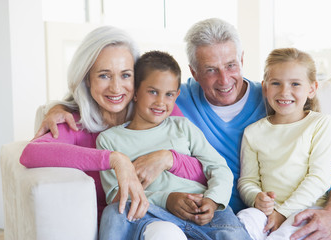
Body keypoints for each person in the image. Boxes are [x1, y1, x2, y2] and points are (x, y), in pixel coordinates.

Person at [36, 18, 331, 239]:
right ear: (193, 73)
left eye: (230, 66)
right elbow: (131, 92)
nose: (224, 80)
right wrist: (61, 106)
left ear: (242, 59)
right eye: (210, 70)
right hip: (193, 212)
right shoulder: (174, 101)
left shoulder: (274, 98)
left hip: (232, 212)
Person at [19, 26, 206, 226]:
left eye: (125, 75)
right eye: (104, 75)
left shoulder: (156, 110)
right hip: (116, 226)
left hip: (170, 222)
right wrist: (114, 159)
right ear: (87, 78)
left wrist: (168, 158)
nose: (116, 88)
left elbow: (204, 173)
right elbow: (30, 153)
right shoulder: (74, 122)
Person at [97, 50, 251, 240]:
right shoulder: (110, 139)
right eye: (153, 92)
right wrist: (166, 199)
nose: (161, 102)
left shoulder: (183, 127)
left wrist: (212, 200)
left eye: (169, 94)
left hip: (200, 208)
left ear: (177, 95)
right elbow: (115, 194)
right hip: (151, 213)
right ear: (135, 92)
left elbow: (219, 168)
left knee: (233, 233)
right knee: (114, 213)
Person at [236, 48, 331, 239]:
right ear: (265, 87)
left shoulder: (320, 123)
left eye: (295, 84)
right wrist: (256, 197)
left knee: (285, 235)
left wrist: (283, 213)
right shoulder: (253, 132)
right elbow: (248, 181)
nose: (285, 91)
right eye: (276, 83)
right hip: (268, 213)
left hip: (310, 209)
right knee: (243, 220)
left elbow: (319, 179)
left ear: (311, 89)